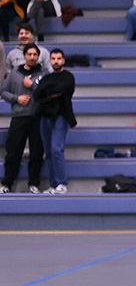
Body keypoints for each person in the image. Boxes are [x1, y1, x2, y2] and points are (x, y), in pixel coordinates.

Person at [1, 42, 49, 194]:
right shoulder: (14, 73)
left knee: (36, 152)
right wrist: (16, 98)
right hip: (19, 116)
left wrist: (33, 85)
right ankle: (7, 183)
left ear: (38, 56)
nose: (32, 57)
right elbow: (3, 92)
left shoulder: (44, 74)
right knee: (13, 152)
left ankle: (34, 184)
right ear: (24, 56)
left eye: (35, 54)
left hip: (37, 117)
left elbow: (47, 94)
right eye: (29, 54)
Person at [32, 48, 75, 194]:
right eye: (53, 59)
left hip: (61, 116)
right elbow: (37, 94)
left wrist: (47, 92)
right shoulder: (46, 78)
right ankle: (53, 184)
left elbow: (64, 88)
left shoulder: (68, 77)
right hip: (45, 117)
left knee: (57, 149)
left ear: (63, 60)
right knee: (49, 152)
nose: (56, 61)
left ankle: (62, 183)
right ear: (50, 60)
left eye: (59, 58)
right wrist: (51, 93)